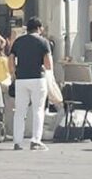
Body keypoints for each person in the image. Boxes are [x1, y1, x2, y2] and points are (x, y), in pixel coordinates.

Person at [8, 17, 57, 150]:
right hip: (37, 78)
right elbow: (48, 64)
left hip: (21, 79)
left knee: (19, 111)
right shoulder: (43, 42)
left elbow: (11, 59)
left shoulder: (18, 41)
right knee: (38, 110)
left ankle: (17, 141)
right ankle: (35, 140)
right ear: (39, 28)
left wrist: (13, 74)